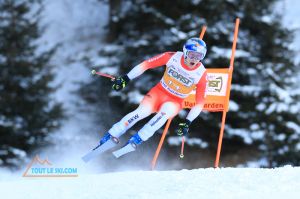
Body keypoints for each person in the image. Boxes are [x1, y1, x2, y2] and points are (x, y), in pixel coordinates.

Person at [98, 37, 208, 157]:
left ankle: (136, 140)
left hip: (176, 101)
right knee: (141, 112)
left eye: (199, 56)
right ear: (185, 52)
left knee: (164, 114)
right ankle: (111, 135)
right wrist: (126, 78)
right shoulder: (172, 57)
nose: (194, 60)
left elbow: (199, 103)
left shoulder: (201, 74)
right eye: (192, 55)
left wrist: (187, 121)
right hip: (159, 93)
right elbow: (146, 65)